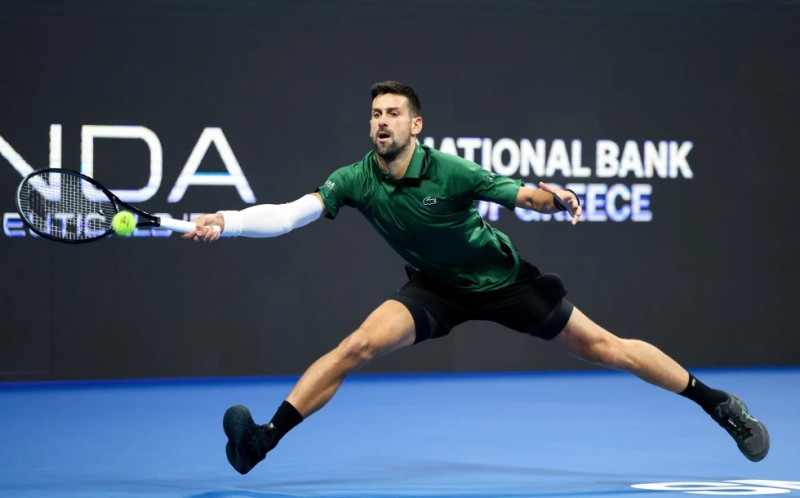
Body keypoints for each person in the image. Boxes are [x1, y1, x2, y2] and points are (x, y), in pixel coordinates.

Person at [185, 81, 769, 475]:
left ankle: (716, 403)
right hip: (434, 289)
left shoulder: (452, 170)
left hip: (505, 283)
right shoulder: (355, 179)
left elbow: (518, 194)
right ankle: (262, 441)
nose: (381, 122)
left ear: (416, 125)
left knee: (606, 348)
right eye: (375, 114)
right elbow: (290, 215)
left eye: (392, 114)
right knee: (357, 345)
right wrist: (229, 221)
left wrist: (553, 196)